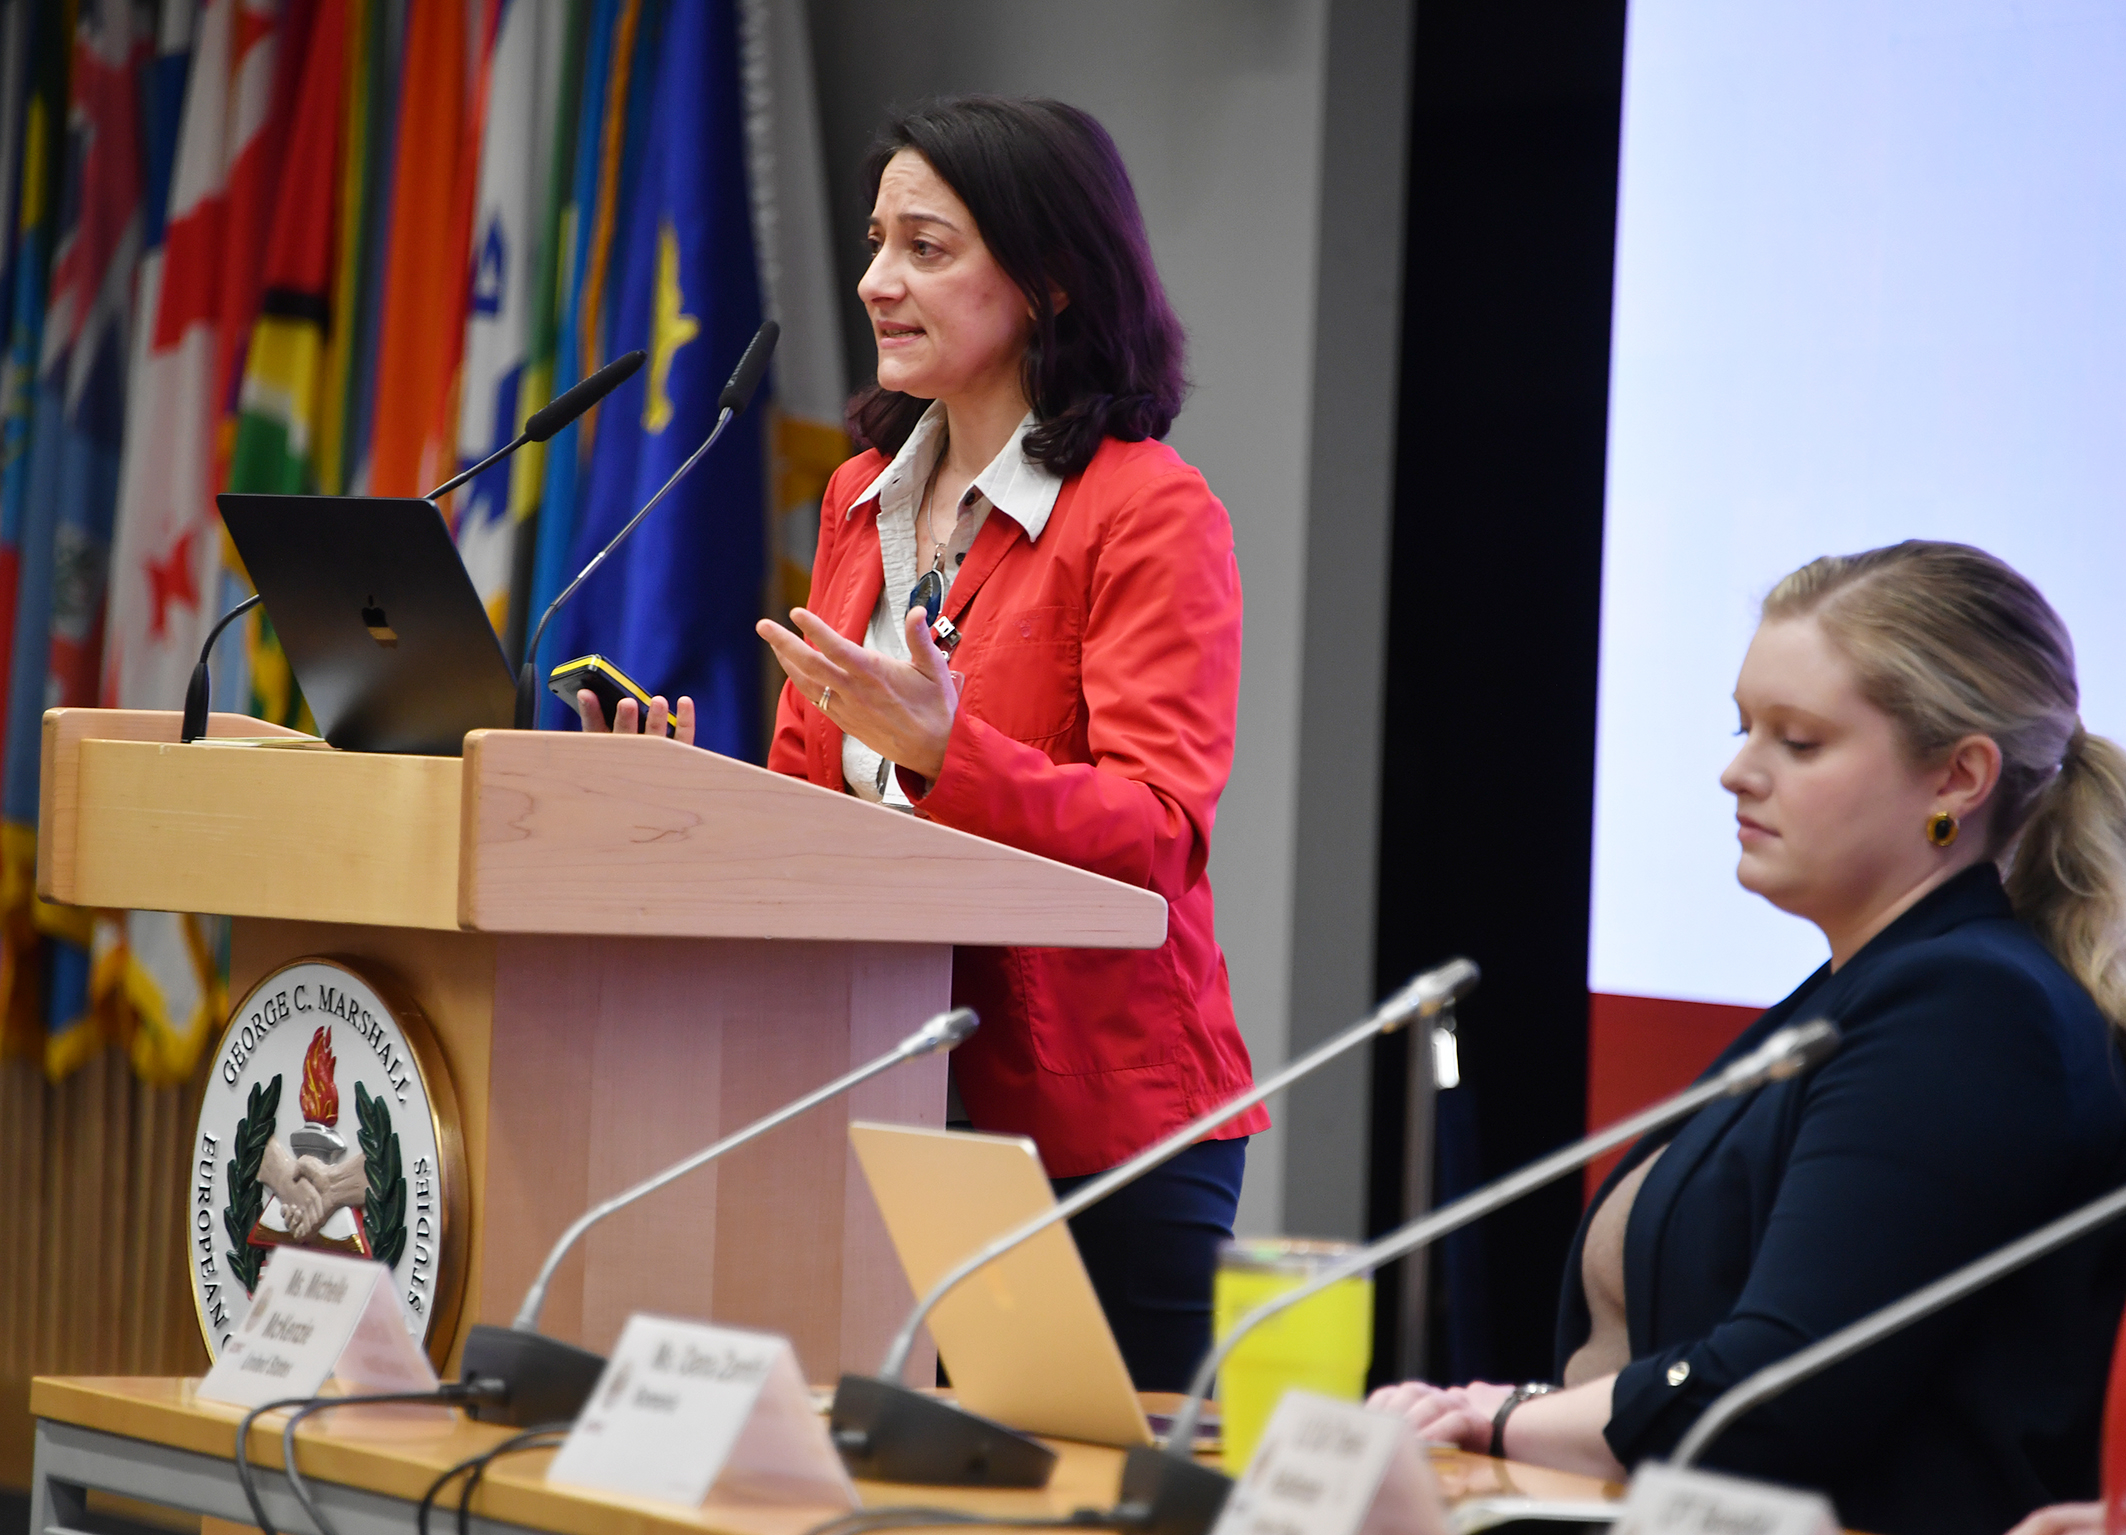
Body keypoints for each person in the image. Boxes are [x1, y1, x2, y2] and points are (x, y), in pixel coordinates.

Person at [577, 95, 1265, 1390]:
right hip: (870, 1091)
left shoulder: (1148, 512)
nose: (874, 280)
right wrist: (679, 794)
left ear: (1050, 279)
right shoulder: (860, 494)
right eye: (875, 240)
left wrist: (955, 753)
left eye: (925, 248)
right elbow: (819, 805)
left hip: (1090, 1125)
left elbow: (1156, 836)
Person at [1369, 543, 2126, 1535]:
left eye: (1797, 741)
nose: (1735, 770)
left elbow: (1771, 1392)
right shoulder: (1868, 985)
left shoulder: (1972, 1009)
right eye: (1741, 727)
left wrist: (1501, 1418)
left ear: (1956, 775)